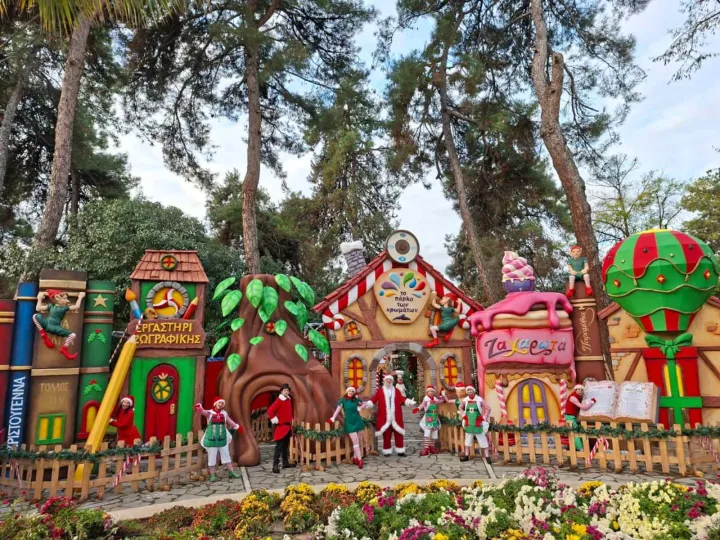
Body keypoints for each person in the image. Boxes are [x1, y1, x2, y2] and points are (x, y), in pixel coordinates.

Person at [365, 374, 416, 456]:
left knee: (399, 433)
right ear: (384, 381)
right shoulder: (380, 391)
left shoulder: (396, 390)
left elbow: (402, 398)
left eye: (390, 380)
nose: (389, 381)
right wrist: (368, 403)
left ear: (392, 381)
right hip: (385, 417)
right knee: (386, 434)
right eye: (387, 380)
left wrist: (408, 401)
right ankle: (387, 451)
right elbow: (374, 399)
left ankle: (400, 451)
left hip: (396, 416)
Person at [194, 397, 242, 482]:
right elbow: (203, 412)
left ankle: (231, 471)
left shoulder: (224, 413)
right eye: (219, 403)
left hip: (222, 438)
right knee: (212, 456)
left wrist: (236, 427)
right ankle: (212, 474)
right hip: (212, 439)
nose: (221, 404)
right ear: (215, 403)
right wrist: (200, 408)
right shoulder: (210, 413)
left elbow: (229, 421)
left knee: (226, 455)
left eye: (222, 403)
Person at [33, 289, 85, 360]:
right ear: (57, 298)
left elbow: (38, 308)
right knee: (72, 335)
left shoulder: (53, 306)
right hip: (52, 327)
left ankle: (43, 333)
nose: (67, 301)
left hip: (48, 325)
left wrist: (39, 299)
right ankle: (64, 348)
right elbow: (76, 306)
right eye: (65, 298)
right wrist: (80, 297)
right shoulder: (61, 308)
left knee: (35, 316)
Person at [329, 386, 367, 469]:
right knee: (355, 441)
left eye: (352, 391)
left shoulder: (356, 400)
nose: (351, 392)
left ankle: (355, 458)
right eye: (349, 391)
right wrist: (333, 418)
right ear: (347, 392)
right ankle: (360, 460)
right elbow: (337, 410)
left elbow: (365, 404)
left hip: (357, 421)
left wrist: (360, 408)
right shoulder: (343, 401)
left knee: (358, 439)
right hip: (349, 423)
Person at [268, 384, 297, 473]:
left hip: (287, 427)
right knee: (279, 447)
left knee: (285, 446)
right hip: (282, 427)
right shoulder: (279, 400)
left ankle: (285, 462)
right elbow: (270, 411)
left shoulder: (288, 399)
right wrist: (275, 420)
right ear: (281, 391)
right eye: (285, 390)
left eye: (287, 390)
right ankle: (275, 466)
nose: (286, 392)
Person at [459, 385, 492, 463]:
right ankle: (466, 455)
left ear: (474, 391)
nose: (469, 391)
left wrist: (484, 417)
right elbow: (460, 408)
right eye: (468, 390)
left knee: (482, 439)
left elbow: (488, 408)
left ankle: (487, 456)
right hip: (469, 423)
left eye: (470, 389)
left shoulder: (479, 399)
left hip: (477, 423)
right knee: (468, 440)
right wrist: (463, 415)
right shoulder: (465, 400)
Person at [413, 385, 447, 456]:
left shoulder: (435, 399)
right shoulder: (426, 399)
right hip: (428, 417)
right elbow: (422, 405)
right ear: (427, 392)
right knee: (427, 433)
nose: (431, 392)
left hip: (434, 417)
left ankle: (432, 447)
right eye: (429, 391)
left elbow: (441, 401)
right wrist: (418, 408)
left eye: (432, 391)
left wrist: (442, 395)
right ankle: (426, 449)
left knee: (434, 432)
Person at [565, 384, 597, 451]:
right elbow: (584, 407)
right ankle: (580, 448)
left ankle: (579, 447)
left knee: (578, 432)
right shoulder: (573, 397)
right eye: (578, 389)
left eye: (581, 390)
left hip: (574, 417)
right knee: (575, 433)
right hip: (570, 417)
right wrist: (592, 402)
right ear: (575, 390)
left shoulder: (579, 397)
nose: (580, 391)